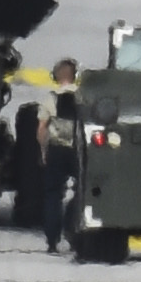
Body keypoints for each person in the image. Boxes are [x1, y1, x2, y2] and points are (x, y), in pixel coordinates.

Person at [42, 57, 84, 253]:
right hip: (77, 150)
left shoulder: (51, 98)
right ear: (75, 76)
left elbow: (42, 128)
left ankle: (52, 240)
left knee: (52, 194)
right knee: (82, 192)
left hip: (57, 149)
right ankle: (73, 229)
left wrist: (43, 151)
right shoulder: (83, 97)